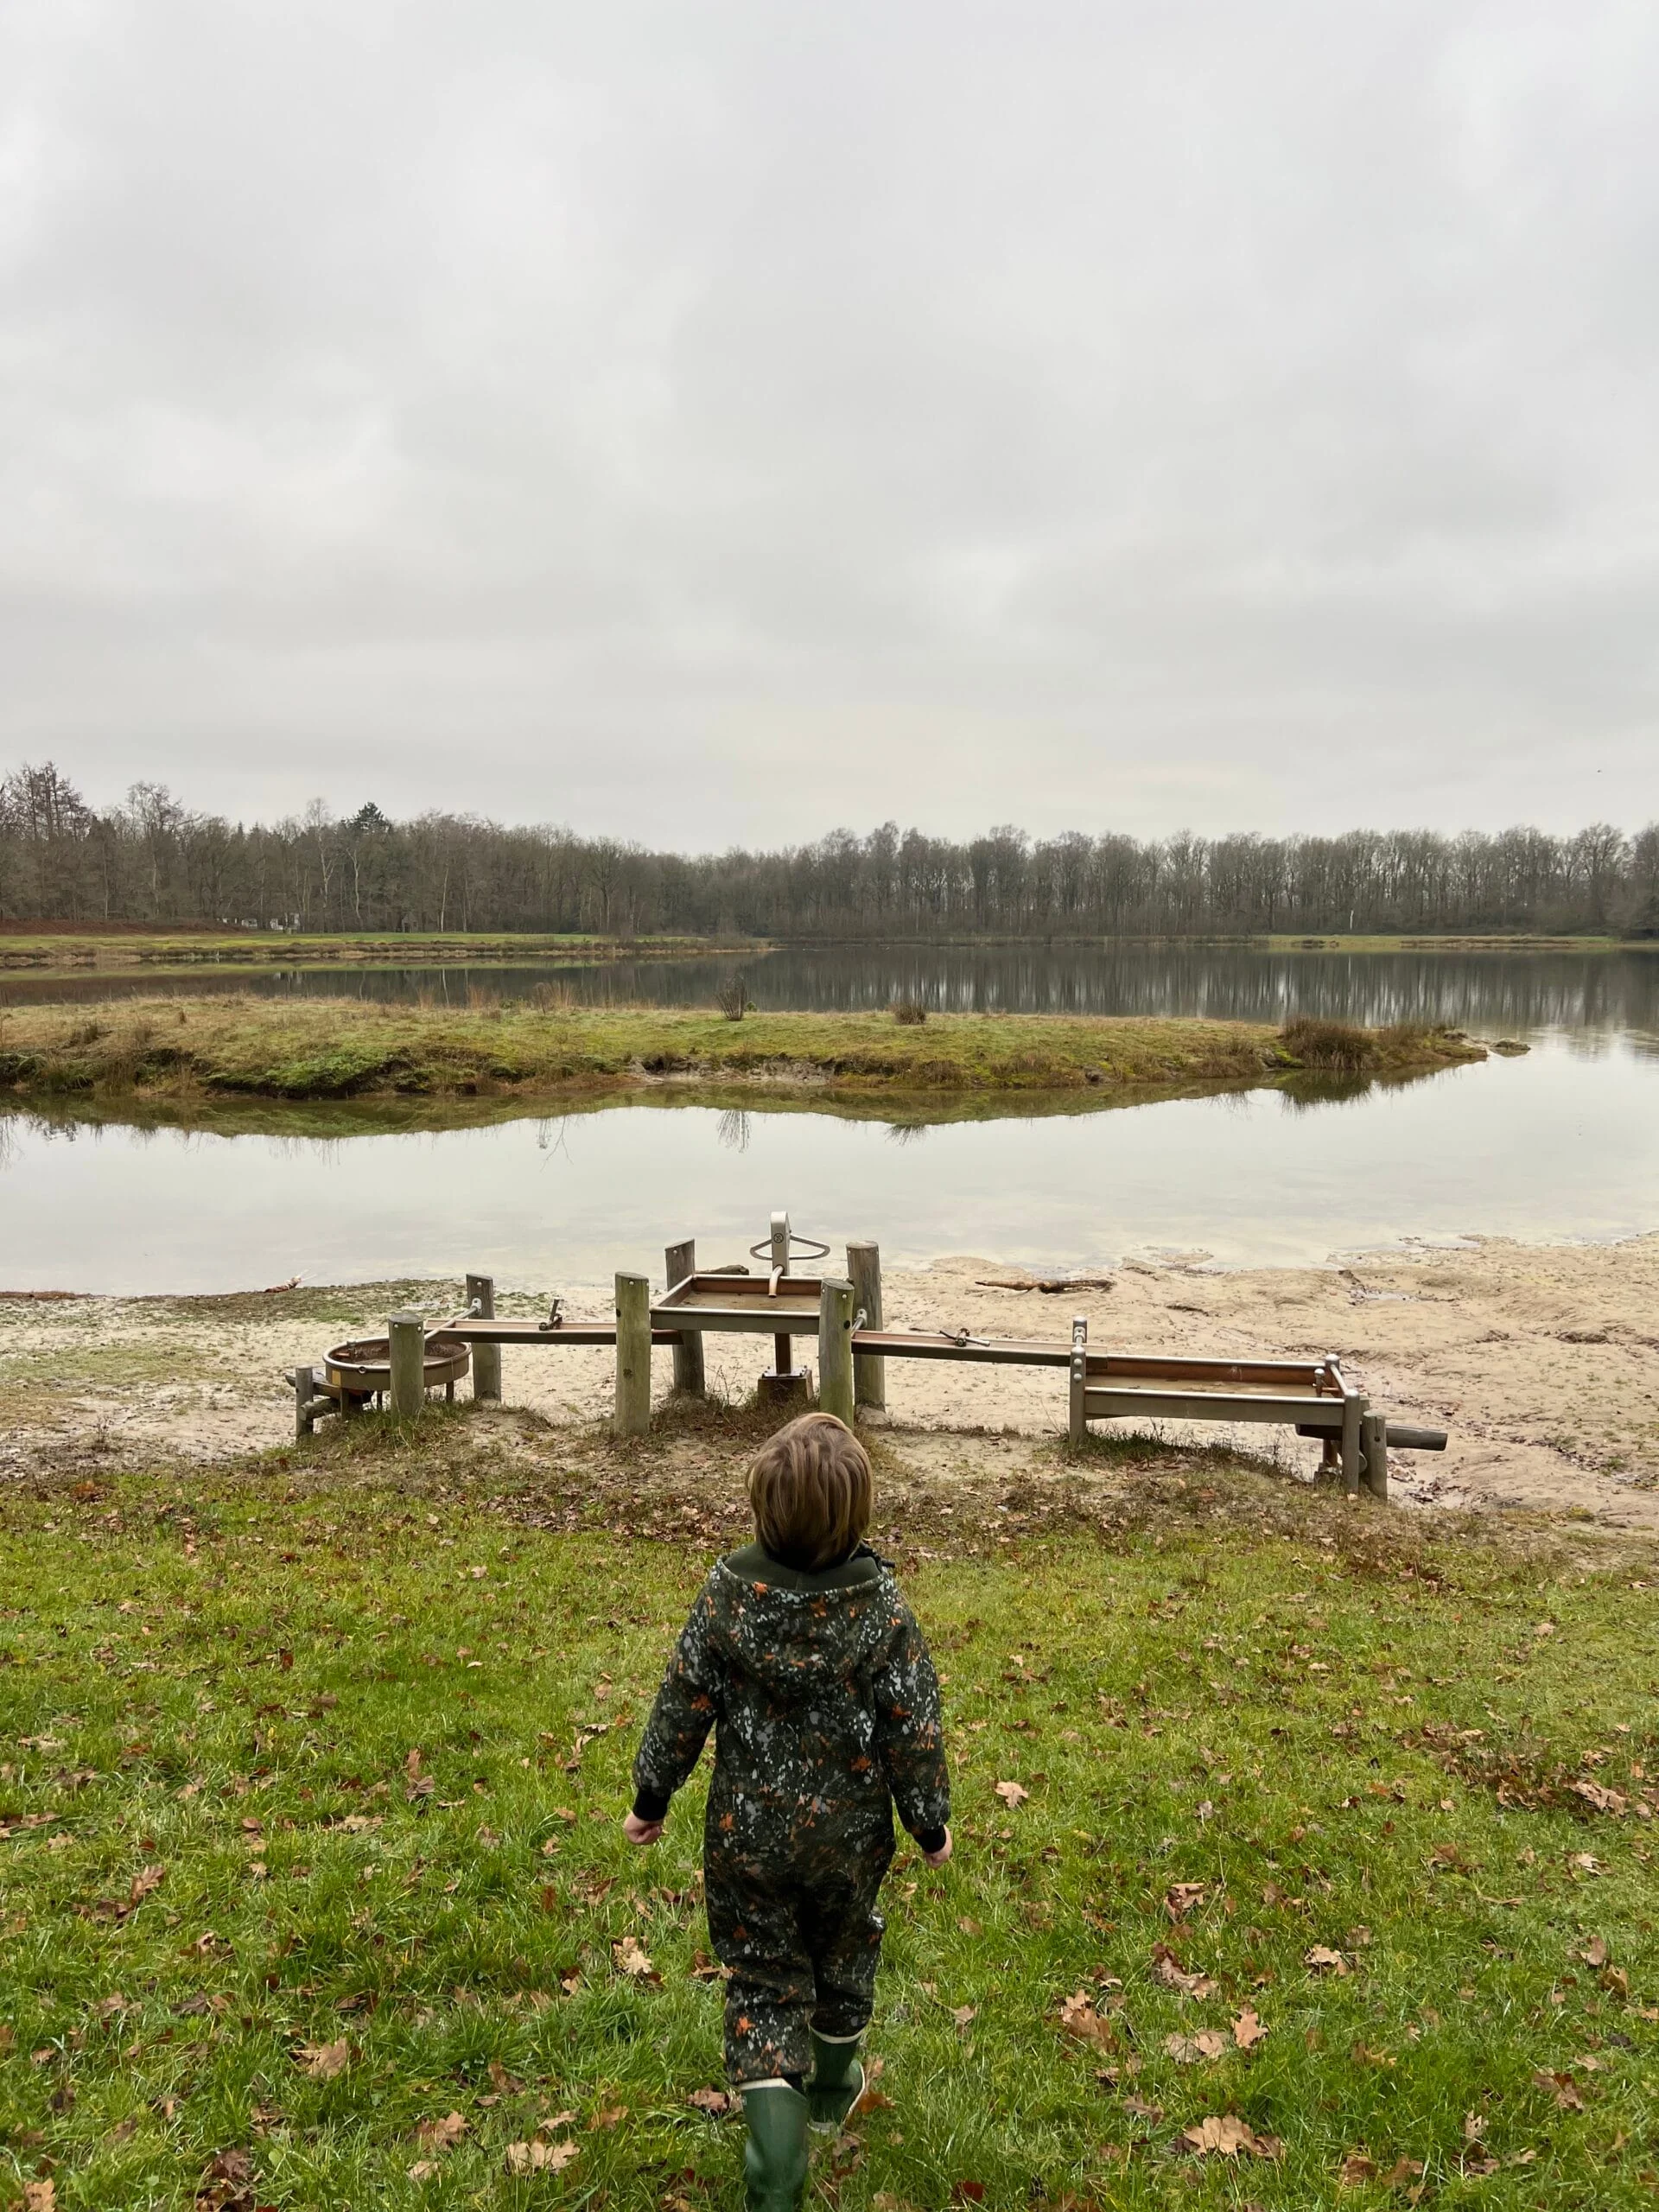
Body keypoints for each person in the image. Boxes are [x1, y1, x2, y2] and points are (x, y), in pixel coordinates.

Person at [624, 1411, 952, 2212]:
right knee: (845, 1953)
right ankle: (834, 2089)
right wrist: (929, 1821)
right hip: (849, 1837)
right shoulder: (881, 1605)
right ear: (858, 1513)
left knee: (765, 1985)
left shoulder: (729, 1593)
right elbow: (913, 1721)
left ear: (762, 1506)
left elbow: (682, 1700)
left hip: (748, 1838)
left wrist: (651, 1797)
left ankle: (777, 2180)